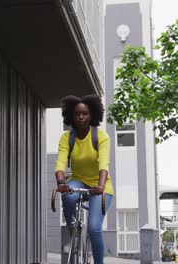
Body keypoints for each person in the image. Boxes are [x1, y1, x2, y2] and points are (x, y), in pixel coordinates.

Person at [55, 94, 114, 264]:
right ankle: (72, 226)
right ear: (71, 116)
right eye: (77, 114)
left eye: (85, 113)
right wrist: (61, 183)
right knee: (68, 195)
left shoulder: (101, 137)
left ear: (92, 115)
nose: (81, 117)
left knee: (94, 228)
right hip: (78, 180)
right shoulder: (67, 138)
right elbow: (60, 163)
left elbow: (104, 163)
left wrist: (101, 186)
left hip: (100, 185)